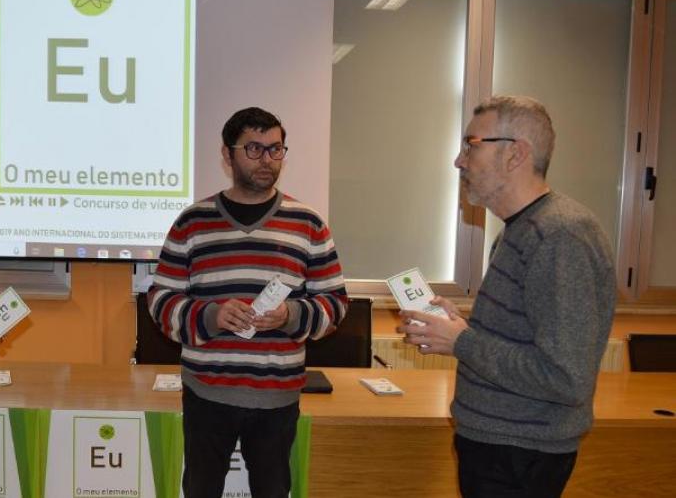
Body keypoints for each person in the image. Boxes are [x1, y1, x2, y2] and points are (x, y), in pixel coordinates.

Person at [397, 96, 616, 498]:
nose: (459, 161)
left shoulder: (560, 236)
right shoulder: (523, 229)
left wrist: (462, 341)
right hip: (501, 446)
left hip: (520, 454)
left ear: (515, 154)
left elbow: (566, 377)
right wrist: (458, 326)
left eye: (471, 146)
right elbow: (522, 337)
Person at [149, 107, 348, 498]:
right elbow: (160, 301)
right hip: (207, 393)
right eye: (254, 149)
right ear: (228, 155)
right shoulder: (192, 222)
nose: (267, 160)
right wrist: (211, 316)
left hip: (277, 397)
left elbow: (335, 304)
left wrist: (291, 315)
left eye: (276, 149)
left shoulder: (308, 224)